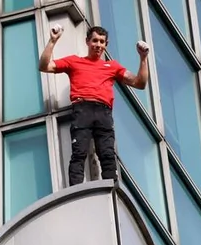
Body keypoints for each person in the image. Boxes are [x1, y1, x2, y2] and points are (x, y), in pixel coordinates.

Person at [39, 25, 150, 186]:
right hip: (82, 109)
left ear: (106, 44)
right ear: (87, 42)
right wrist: (52, 41)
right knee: (79, 153)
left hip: (103, 112)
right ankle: (76, 193)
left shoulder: (112, 66)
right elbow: (44, 66)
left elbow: (140, 83)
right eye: (95, 40)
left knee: (107, 155)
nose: (98, 45)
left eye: (102, 42)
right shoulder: (74, 61)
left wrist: (143, 58)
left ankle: (112, 195)